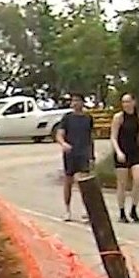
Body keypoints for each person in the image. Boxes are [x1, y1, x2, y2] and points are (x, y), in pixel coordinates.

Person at [53, 93, 94, 222]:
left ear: (82, 103)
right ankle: (67, 209)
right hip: (70, 153)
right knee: (68, 181)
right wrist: (63, 144)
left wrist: (92, 155)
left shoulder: (88, 118)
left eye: (77, 100)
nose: (75, 103)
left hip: (83, 152)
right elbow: (59, 134)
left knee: (83, 182)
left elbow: (90, 137)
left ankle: (85, 210)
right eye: (73, 101)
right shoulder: (67, 118)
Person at [110, 93, 139, 223]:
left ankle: (133, 208)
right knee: (122, 184)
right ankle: (121, 212)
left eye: (128, 101)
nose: (126, 104)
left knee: (138, 180)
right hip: (122, 152)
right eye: (123, 102)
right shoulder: (119, 117)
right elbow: (113, 137)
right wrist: (118, 152)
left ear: (134, 102)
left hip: (134, 152)